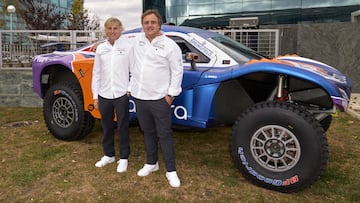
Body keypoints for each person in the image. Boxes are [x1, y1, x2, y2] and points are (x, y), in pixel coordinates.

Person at [129, 9, 184, 187]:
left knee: (164, 134)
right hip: (140, 97)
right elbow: (129, 62)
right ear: (142, 25)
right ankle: (151, 163)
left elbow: (177, 71)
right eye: (146, 22)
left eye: (153, 22)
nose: (149, 25)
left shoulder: (170, 45)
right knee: (147, 132)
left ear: (159, 24)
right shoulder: (137, 41)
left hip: (160, 98)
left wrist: (171, 95)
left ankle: (171, 170)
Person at [91, 17, 133, 173]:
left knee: (122, 126)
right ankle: (108, 155)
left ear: (120, 29)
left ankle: (124, 157)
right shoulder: (101, 49)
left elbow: (134, 69)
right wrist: (95, 95)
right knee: (106, 125)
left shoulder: (129, 46)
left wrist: (129, 88)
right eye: (109, 29)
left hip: (121, 93)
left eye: (115, 28)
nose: (112, 31)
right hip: (104, 93)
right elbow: (96, 73)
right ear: (106, 31)